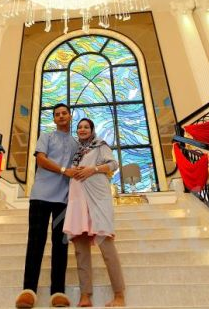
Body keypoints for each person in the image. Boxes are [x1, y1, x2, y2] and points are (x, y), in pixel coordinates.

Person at [15, 103, 78, 309]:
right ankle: (28, 291)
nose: (61, 116)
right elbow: (41, 160)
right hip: (40, 197)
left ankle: (58, 292)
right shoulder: (46, 137)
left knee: (61, 245)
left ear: (70, 116)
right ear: (54, 119)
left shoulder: (76, 144)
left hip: (64, 200)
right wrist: (63, 170)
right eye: (57, 114)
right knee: (36, 242)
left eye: (64, 113)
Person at [64, 118, 125, 307]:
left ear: (92, 130)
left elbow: (113, 164)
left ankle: (119, 295)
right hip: (77, 200)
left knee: (106, 246)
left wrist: (94, 169)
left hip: (97, 198)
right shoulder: (74, 152)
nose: (82, 130)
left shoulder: (100, 145)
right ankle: (85, 295)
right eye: (79, 127)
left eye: (86, 127)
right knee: (80, 250)